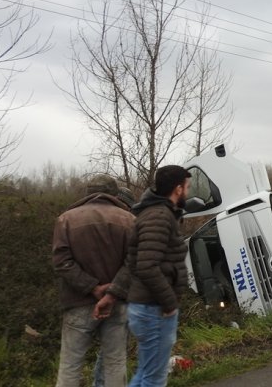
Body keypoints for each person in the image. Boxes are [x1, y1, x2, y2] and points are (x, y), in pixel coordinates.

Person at [52, 174, 135, 387]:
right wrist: (112, 292)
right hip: (116, 304)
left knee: (70, 366)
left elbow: (61, 262)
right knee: (115, 364)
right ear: (114, 194)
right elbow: (133, 263)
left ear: (88, 192)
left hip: (77, 304)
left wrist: (92, 288)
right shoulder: (129, 220)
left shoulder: (66, 219)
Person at [123, 165, 191, 387]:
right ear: (178, 189)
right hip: (154, 309)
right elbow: (147, 266)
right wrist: (169, 302)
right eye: (187, 187)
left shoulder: (159, 214)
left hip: (148, 307)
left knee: (146, 372)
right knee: (154, 378)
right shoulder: (159, 217)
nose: (188, 193)